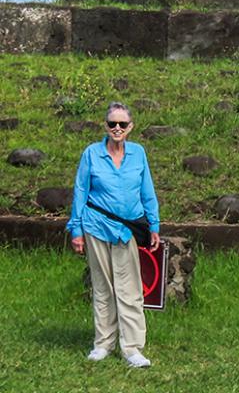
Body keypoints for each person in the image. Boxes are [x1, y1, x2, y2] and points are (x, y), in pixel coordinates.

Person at [67, 100, 160, 369]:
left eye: (122, 124)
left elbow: (147, 191)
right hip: (96, 227)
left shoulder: (138, 153)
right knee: (103, 287)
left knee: (130, 290)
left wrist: (154, 225)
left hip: (126, 229)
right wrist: (76, 229)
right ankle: (103, 343)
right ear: (105, 126)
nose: (117, 128)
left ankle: (132, 348)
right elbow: (80, 191)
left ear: (130, 127)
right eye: (112, 123)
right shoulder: (91, 154)